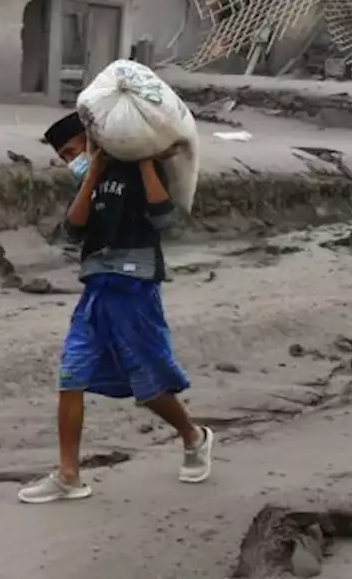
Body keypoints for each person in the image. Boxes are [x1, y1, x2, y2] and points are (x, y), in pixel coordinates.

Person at [19, 112, 213, 503]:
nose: (68, 161)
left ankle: (194, 437)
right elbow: (72, 232)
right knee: (71, 374)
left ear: (91, 141)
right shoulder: (89, 179)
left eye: (72, 151)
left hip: (135, 289)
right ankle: (69, 475)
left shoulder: (139, 168)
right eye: (62, 156)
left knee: (149, 385)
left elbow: (163, 218)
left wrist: (142, 160)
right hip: (96, 290)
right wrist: (91, 175)